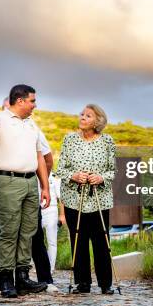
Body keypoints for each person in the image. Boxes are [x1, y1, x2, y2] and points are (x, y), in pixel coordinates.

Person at [0, 79, 51, 298]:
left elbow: (40, 157)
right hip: (6, 182)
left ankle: (23, 277)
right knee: (8, 232)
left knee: (28, 231)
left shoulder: (32, 124)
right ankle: (6, 279)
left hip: (29, 182)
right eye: (32, 101)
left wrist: (45, 187)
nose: (35, 105)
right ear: (20, 100)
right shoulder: (1, 118)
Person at [56, 104, 116, 295]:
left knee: (101, 241)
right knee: (78, 240)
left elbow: (113, 170)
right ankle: (82, 283)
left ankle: (106, 283)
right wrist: (74, 176)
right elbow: (61, 169)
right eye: (82, 114)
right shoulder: (69, 139)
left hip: (99, 199)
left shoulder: (107, 141)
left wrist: (101, 178)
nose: (82, 117)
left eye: (88, 115)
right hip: (75, 198)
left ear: (97, 121)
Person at [40, 173, 65, 273]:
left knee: (52, 241)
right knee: (37, 240)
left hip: (51, 210)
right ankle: (39, 266)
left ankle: (51, 267)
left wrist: (62, 215)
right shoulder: (34, 173)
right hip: (37, 210)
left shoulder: (54, 177)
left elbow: (61, 198)